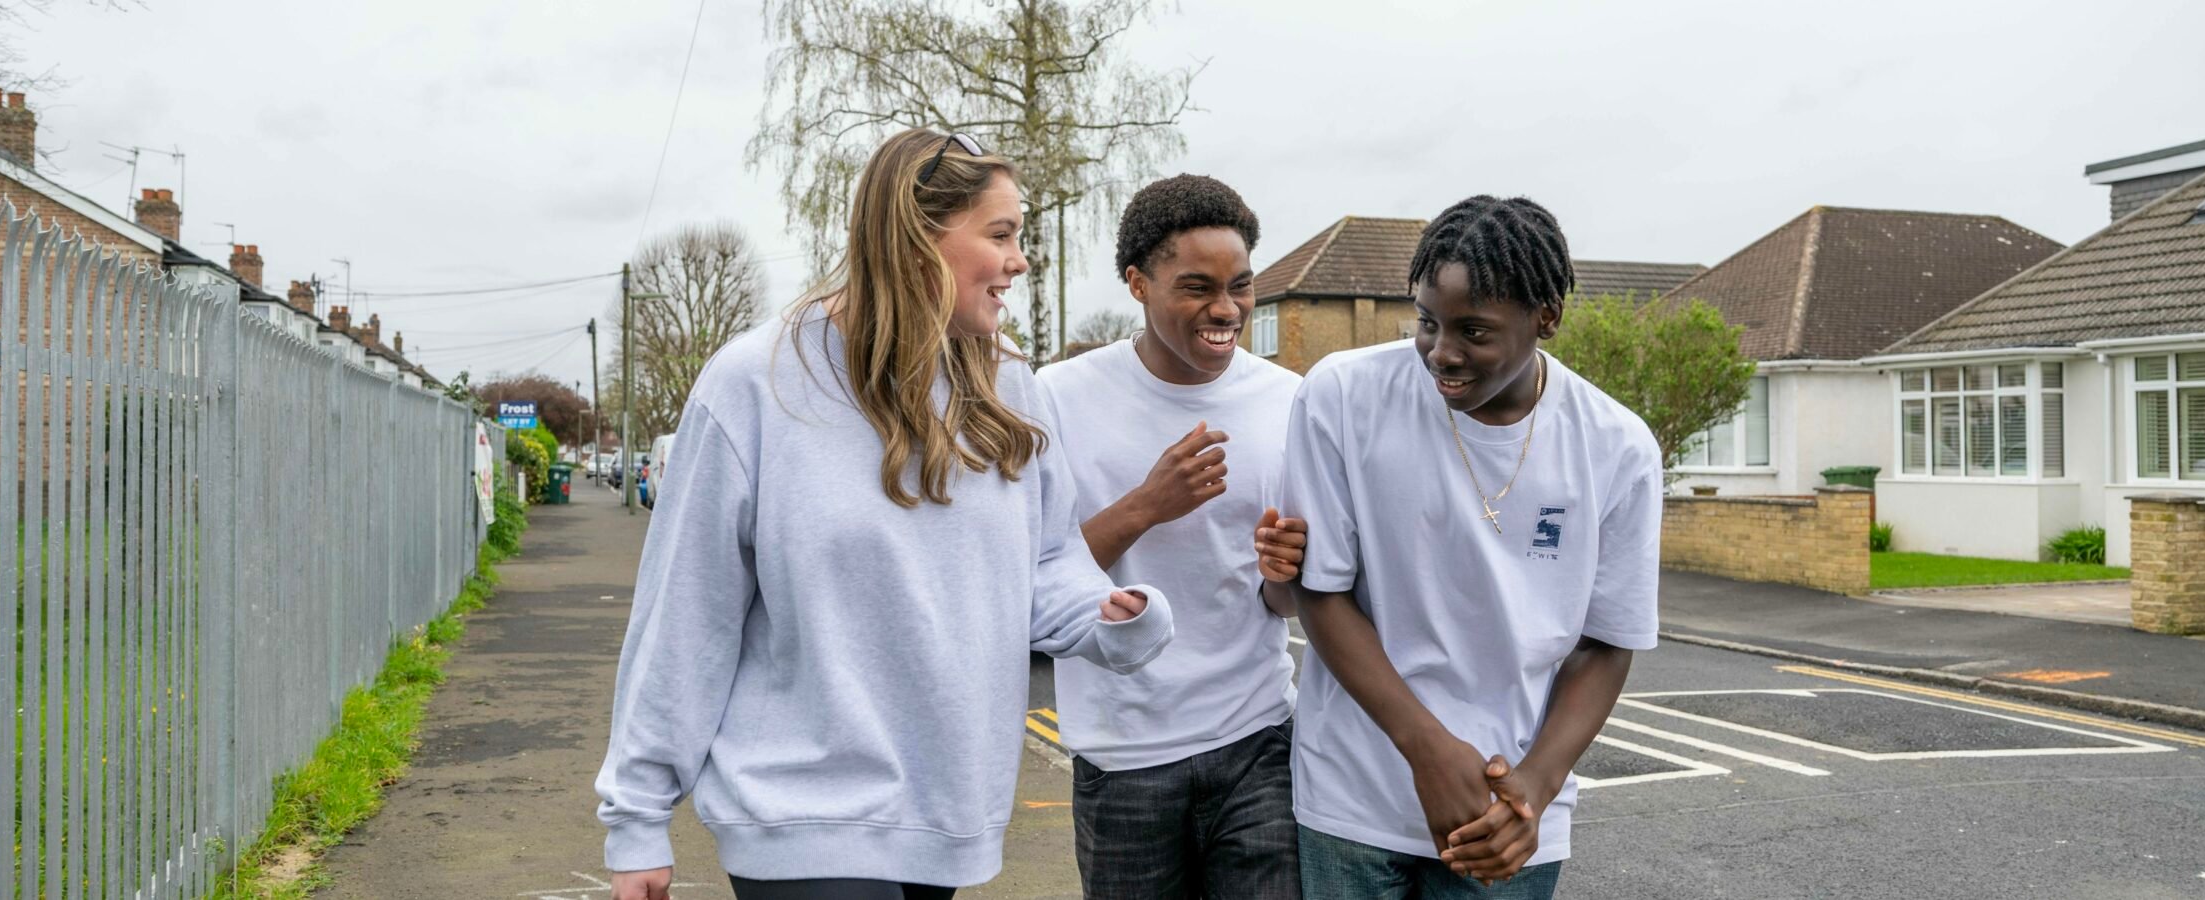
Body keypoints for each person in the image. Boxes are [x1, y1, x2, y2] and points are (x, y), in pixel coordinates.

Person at [595, 128, 1176, 900]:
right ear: (915, 236)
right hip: (799, 811)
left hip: (945, 814)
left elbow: (1043, 564)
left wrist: (1108, 615)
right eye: (1000, 234)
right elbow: (685, 613)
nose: (1020, 260)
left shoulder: (1010, 387)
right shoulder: (754, 385)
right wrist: (637, 816)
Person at [1274, 195, 1660, 898]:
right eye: (1427, 322)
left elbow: (1606, 642)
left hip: (1507, 816)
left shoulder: (1617, 445)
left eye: (1474, 331)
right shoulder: (1341, 395)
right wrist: (1427, 751)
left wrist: (1536, 788)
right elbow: (1319, 591)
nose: (1442, 353)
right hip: (1352, 803)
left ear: (1547, 318)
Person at [1037, 174, 1311, 899]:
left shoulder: (1288, 402)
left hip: (1258, 741)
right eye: (1196, 287)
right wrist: (1146, 506)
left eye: (1241, 286)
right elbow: (1030, 580)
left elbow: (1282, 603)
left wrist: (1286, 574)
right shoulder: (1057, 397)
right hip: (1123, 756)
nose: (1226, 310)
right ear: (1137, 283)